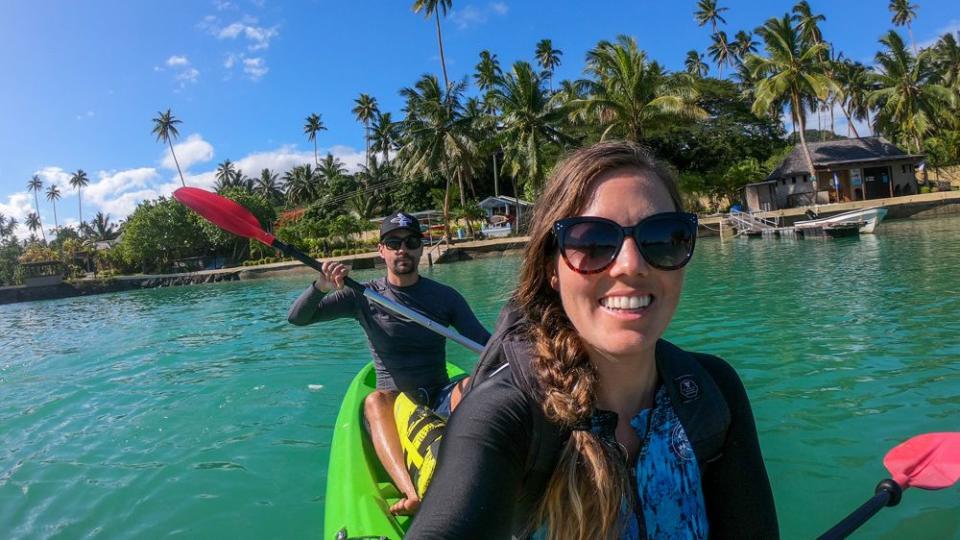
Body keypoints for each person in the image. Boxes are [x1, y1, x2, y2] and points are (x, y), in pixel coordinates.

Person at [408, 141, 778, 539]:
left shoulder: (711, 391)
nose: (631, 265)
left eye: (663, 237)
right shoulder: (507, 416)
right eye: (592, 241)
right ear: (551, 268)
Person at [287, 211, 491, 515]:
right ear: (381, 250)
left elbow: (485, 345)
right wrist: (321, 286)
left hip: (439, 394)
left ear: (421, 247)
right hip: (395, 402)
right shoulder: (361, 296)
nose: (402, 250)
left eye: (410, 242)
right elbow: (297, 319)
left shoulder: (445, 297)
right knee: (373, 401)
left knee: (474, 383)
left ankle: (475, 475)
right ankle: (411, 492)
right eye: (393, 242)